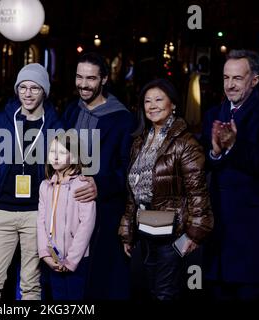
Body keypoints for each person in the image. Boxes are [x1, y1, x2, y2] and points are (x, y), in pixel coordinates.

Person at [0, 63, 62, 300]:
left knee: (31, 287)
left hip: (36, 215)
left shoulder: (55, 125)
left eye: (34, 88)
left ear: (44, 91)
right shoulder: (1, 121)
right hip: (0, 213)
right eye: (23, 87)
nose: (28, 93)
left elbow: (65, 172)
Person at [119, 78, 213, 300]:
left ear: (173, 104)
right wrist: (127, 233)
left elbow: (198, 192)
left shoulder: (186, 143)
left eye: (159, 100)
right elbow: (133, 192)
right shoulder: (140, 141)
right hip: (146, 230)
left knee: (165, 294)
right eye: (147, 101)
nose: (152, 106)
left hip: (174, 233)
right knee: (149, 290)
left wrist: (195, 235)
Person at [62, 52, 135, 299]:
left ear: (103, 79)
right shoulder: (71, 111)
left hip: (104, 212)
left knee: (101, 282)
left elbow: (129, 170)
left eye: (91, 78)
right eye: (79, 77)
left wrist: (100, 185)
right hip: (70, 210)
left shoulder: (122, 118)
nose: (83, 84)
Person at [202, 49, 259, 300]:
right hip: (217, 233)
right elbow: (204, 163)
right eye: (225, 78)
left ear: (254, 80)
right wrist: (216, 153)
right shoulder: (212, 114)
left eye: (237, 79)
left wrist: (234, 146)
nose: (229, 85)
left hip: (250, 233)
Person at [37, 133, 96, 300]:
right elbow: (40, 221)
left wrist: (72, 260)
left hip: (76, 260)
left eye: (62, 152)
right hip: (52, 259)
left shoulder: (83, 184)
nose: (55, 157)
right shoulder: (45, 186)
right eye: (52, 152)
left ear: (74, 155)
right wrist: (45, 254)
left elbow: (87, 224)